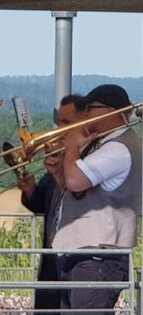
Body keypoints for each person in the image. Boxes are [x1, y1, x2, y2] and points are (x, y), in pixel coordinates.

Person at [52, 84, 142, 314]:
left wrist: (71, 147)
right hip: (85, 256)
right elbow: (76, 191)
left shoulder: (118, 149)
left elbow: (75, 181)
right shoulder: (102, 144)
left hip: (98, 258)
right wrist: (57, 171)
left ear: (109, 111)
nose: (85, 116)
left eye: (90, 108)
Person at [18, 94, 86, 314]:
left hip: (74, 263)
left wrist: (59, 174)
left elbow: (79, 200)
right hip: (50, 263)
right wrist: (30, 191)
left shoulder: (86, 161)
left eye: (67, 123)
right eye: (59, 123)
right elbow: (45, 206)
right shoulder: (60, 156)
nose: (59, 129)